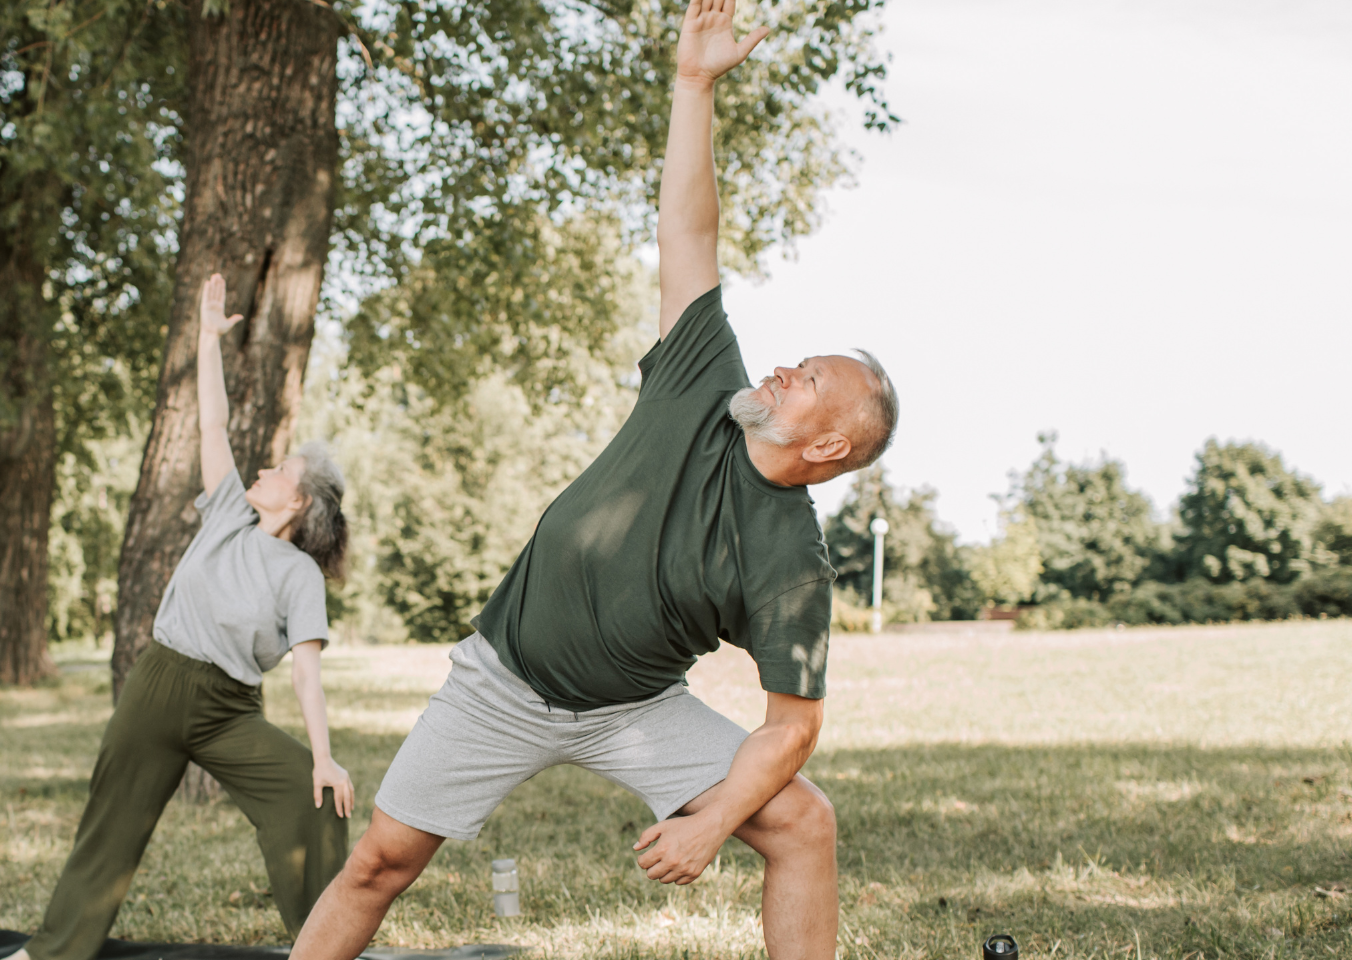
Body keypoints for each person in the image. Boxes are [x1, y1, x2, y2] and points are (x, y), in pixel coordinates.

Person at [285, 0, 899, 957]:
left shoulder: (792, 563)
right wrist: (692, 86)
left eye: (810, 380)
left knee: (802, 823)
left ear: (828, 448)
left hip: (634, 711)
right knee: (379, 863)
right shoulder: (705, 378)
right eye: (797, 360)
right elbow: (689, 233)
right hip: (505, 676)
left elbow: (788, 731)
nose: (784, 369)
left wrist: (710, 821)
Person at [12, 273, 356, 960]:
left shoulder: (298, 576)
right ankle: (51, 953)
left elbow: (308, 677)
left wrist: (324, 758)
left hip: (229, 710)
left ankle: (325, 948)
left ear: (297, 504)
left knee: (310, 796)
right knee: (112, 825)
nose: (264, 467)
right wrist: (205, 341)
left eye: (280, 469)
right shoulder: (228, 511)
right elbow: (211, 422)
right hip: (159, 687)